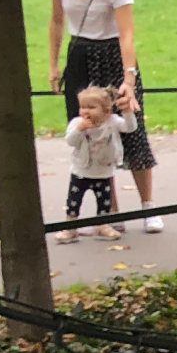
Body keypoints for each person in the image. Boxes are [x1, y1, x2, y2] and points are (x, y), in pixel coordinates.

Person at [44, 0, 161, 231]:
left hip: (111, 57)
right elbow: (56, 22)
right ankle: (112, 211)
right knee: (89, 133)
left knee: (130, 131)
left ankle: (148, 207)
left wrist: (129, 79)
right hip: (79, 57)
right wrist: (54, 66)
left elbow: (127, 35)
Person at [62, 84, 138, 240]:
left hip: (103, 171)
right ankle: (70, 227)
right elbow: (70, 141)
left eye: (91, 107)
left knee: (104, 201)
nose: (85, 111)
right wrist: (80, 130)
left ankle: (103, 225)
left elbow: (130, 128)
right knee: (73, 202)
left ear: (106, 110)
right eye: (83, 107)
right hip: (81, 171)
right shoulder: (77, 123)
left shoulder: (113, 122)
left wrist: (127, 112)